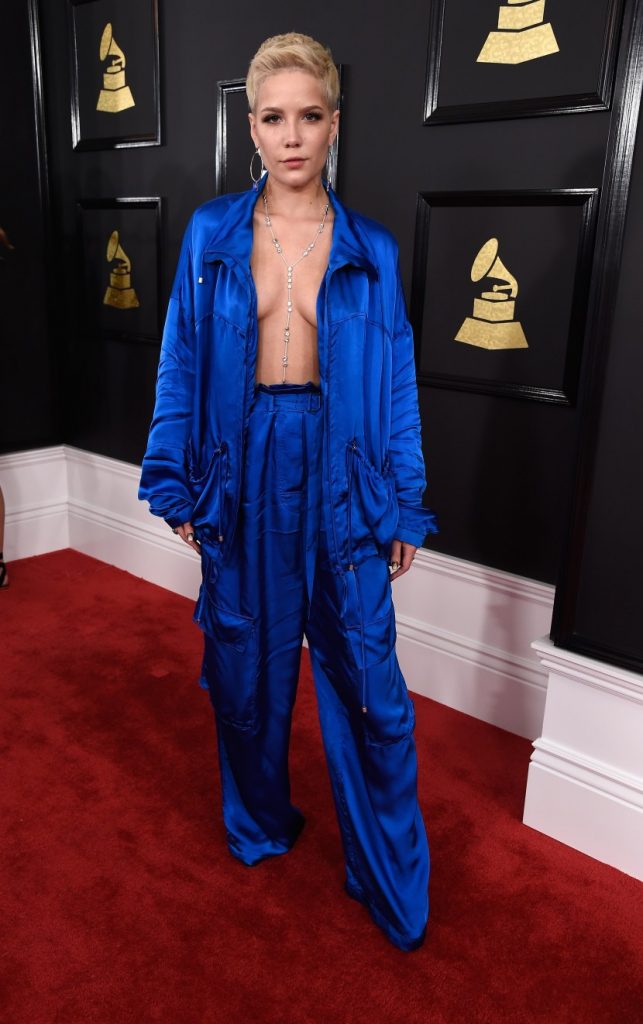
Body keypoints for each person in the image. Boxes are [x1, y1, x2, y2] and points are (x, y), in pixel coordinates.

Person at [139, 32, 438, 952]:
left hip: (342, 467)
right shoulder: (210, 232)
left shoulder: (373, 249)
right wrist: (180, 478)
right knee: (245, 660)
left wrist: (401, 500)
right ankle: (261, 822)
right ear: (252, 125)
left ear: (334, 125)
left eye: (311, 116)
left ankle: (387, 880)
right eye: (275, 117)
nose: (293, 136)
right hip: (245, 460)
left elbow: (394, 381)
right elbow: (182, 359)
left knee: (367, 683)